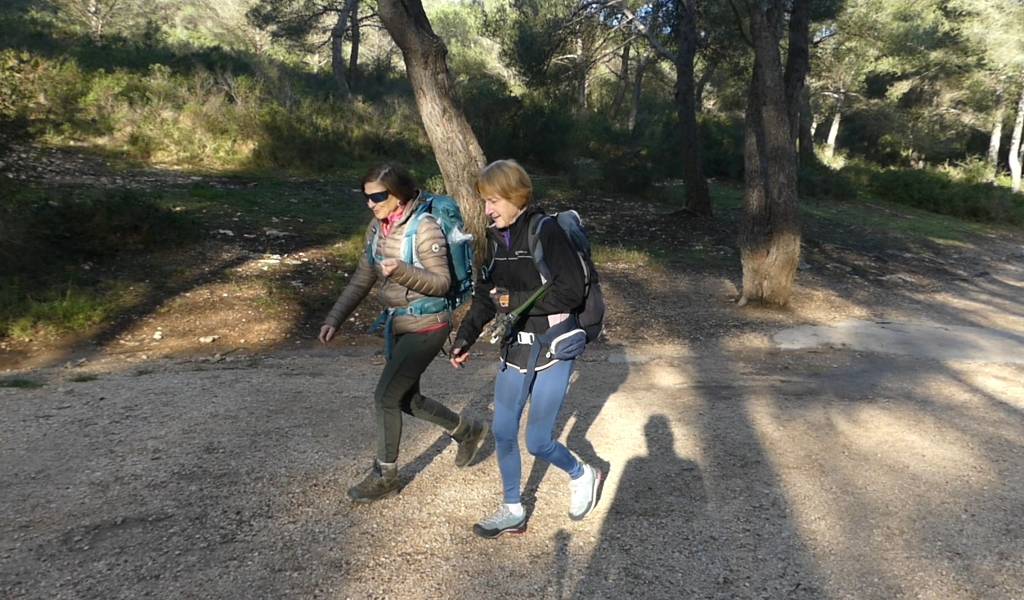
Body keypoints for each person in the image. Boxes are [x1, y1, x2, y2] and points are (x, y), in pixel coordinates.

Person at [450, 159, 602, 538]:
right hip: (516, 346)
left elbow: (569, 292)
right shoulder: (494, 238)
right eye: (485, 201)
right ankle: (513, 508)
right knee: (503, 431)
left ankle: (583, 473)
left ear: (517, 196)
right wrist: (465, 337)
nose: (488, 210)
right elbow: (487, 297)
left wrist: (509, 301)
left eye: (495, 200)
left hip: (554, 345)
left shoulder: (545, 231)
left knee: (538, 441)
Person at [320, 163, 489, 504]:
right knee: (406, 399)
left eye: (378, 196)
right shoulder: (378, 228)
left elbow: (442, 283)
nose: (371, 203)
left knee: (385, 396)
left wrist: (402, 272)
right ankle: (466, 430)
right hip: (398, 323)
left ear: (398, 195)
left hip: (428, 325)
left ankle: (386, 475)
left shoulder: (424, 227)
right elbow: (362, 278)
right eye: (366, 197)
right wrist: (334, 318)